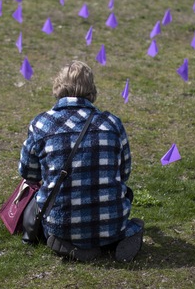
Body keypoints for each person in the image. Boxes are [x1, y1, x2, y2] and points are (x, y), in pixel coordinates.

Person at [18, 60, 144, 262]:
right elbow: (124, 173)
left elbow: (29, 174)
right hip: (112, 222)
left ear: (58, 87)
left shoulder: (41, 124)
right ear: (92, 90)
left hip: (61, 224)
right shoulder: (112, 123)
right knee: (123, 202)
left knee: (49, 207)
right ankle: (121, 236)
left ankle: (69, 243)